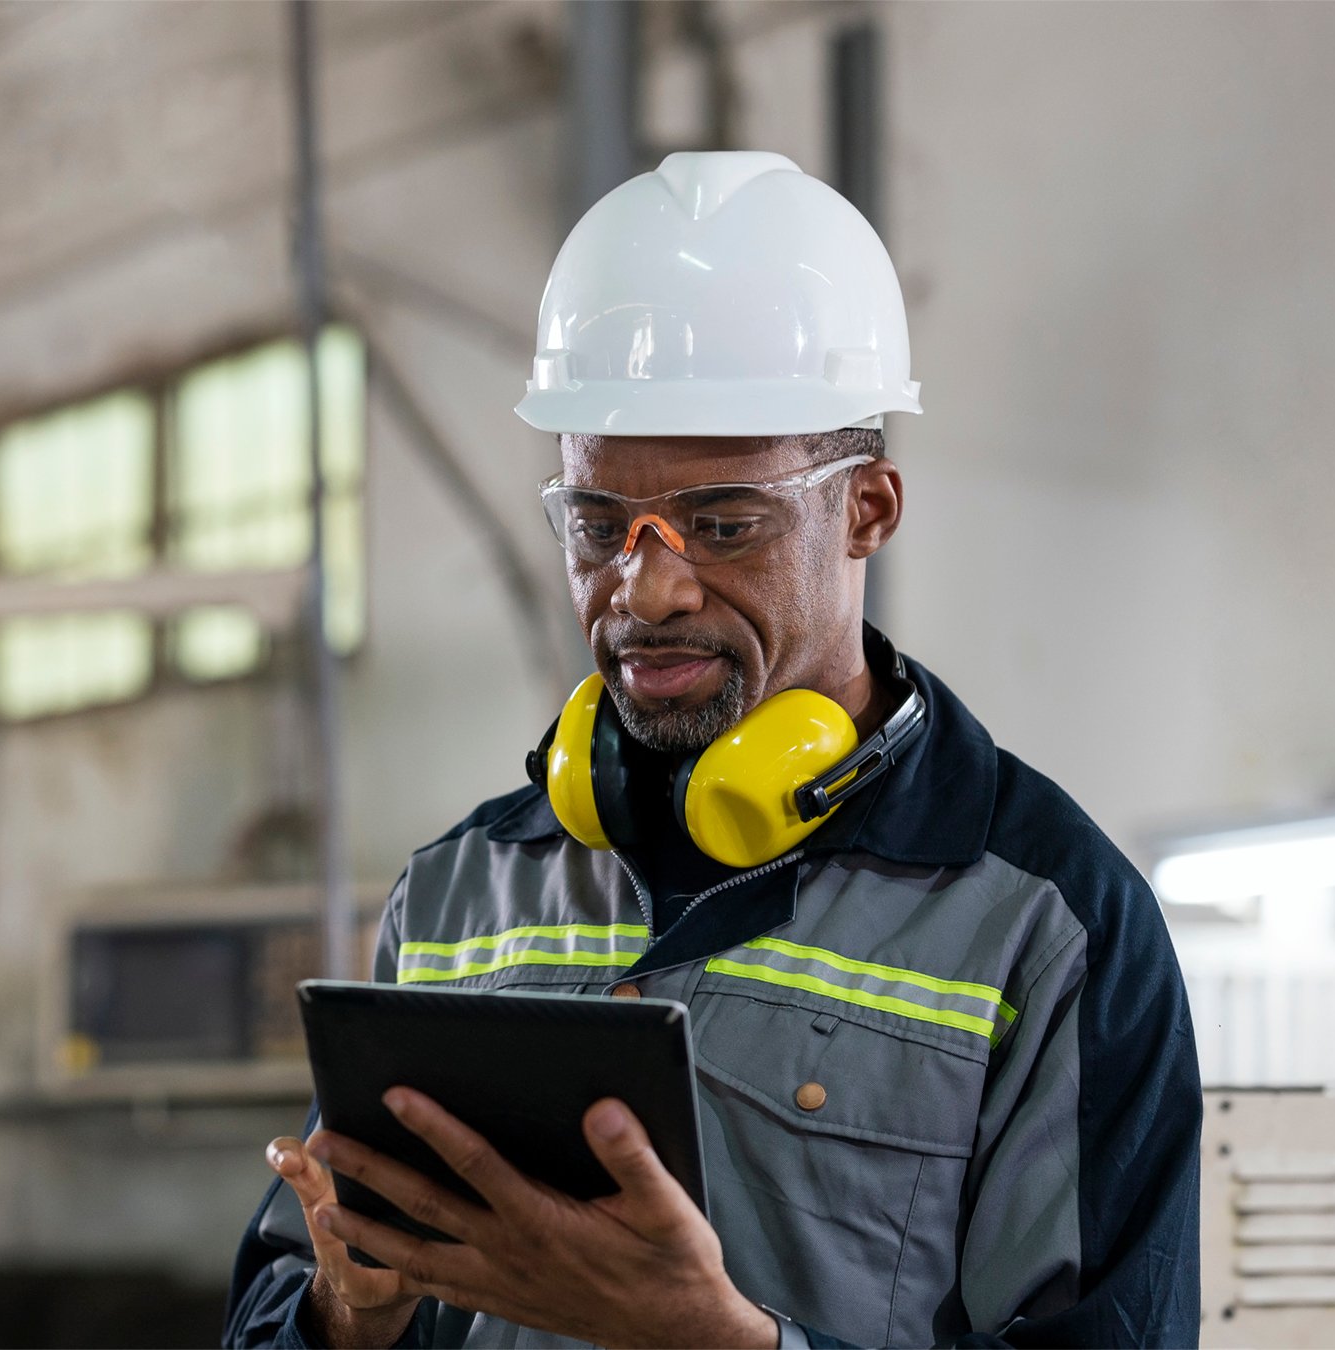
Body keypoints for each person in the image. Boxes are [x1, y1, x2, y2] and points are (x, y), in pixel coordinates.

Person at [222, 152, 1200, 1349]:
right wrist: (345, 1315)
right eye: (596, 527)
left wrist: (723, 1345)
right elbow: (279, 1303)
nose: (646, 588)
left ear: (869, 510)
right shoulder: (459, 892)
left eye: (723, 524)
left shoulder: (1048, 930)